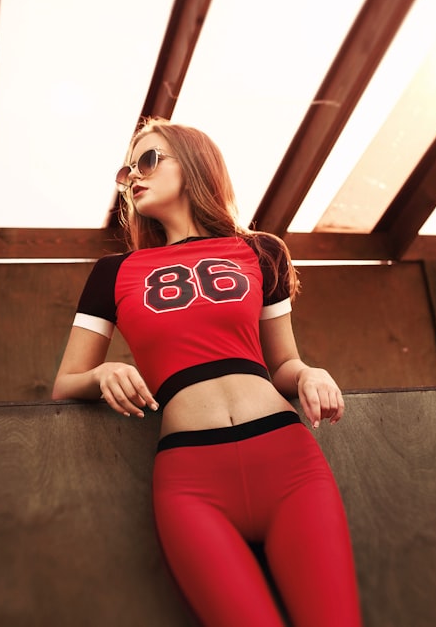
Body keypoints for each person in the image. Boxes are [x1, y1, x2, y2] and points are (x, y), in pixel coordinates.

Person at [52, 117, 361, 626]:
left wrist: (309, 373)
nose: (134, 176)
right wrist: (103, 373)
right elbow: (67, 382)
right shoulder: (113, 273)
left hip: (289, 465)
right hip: (192, 484)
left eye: (149, 160)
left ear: (194, 164)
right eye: (128, 169)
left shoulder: (261, 251)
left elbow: (282, 362)